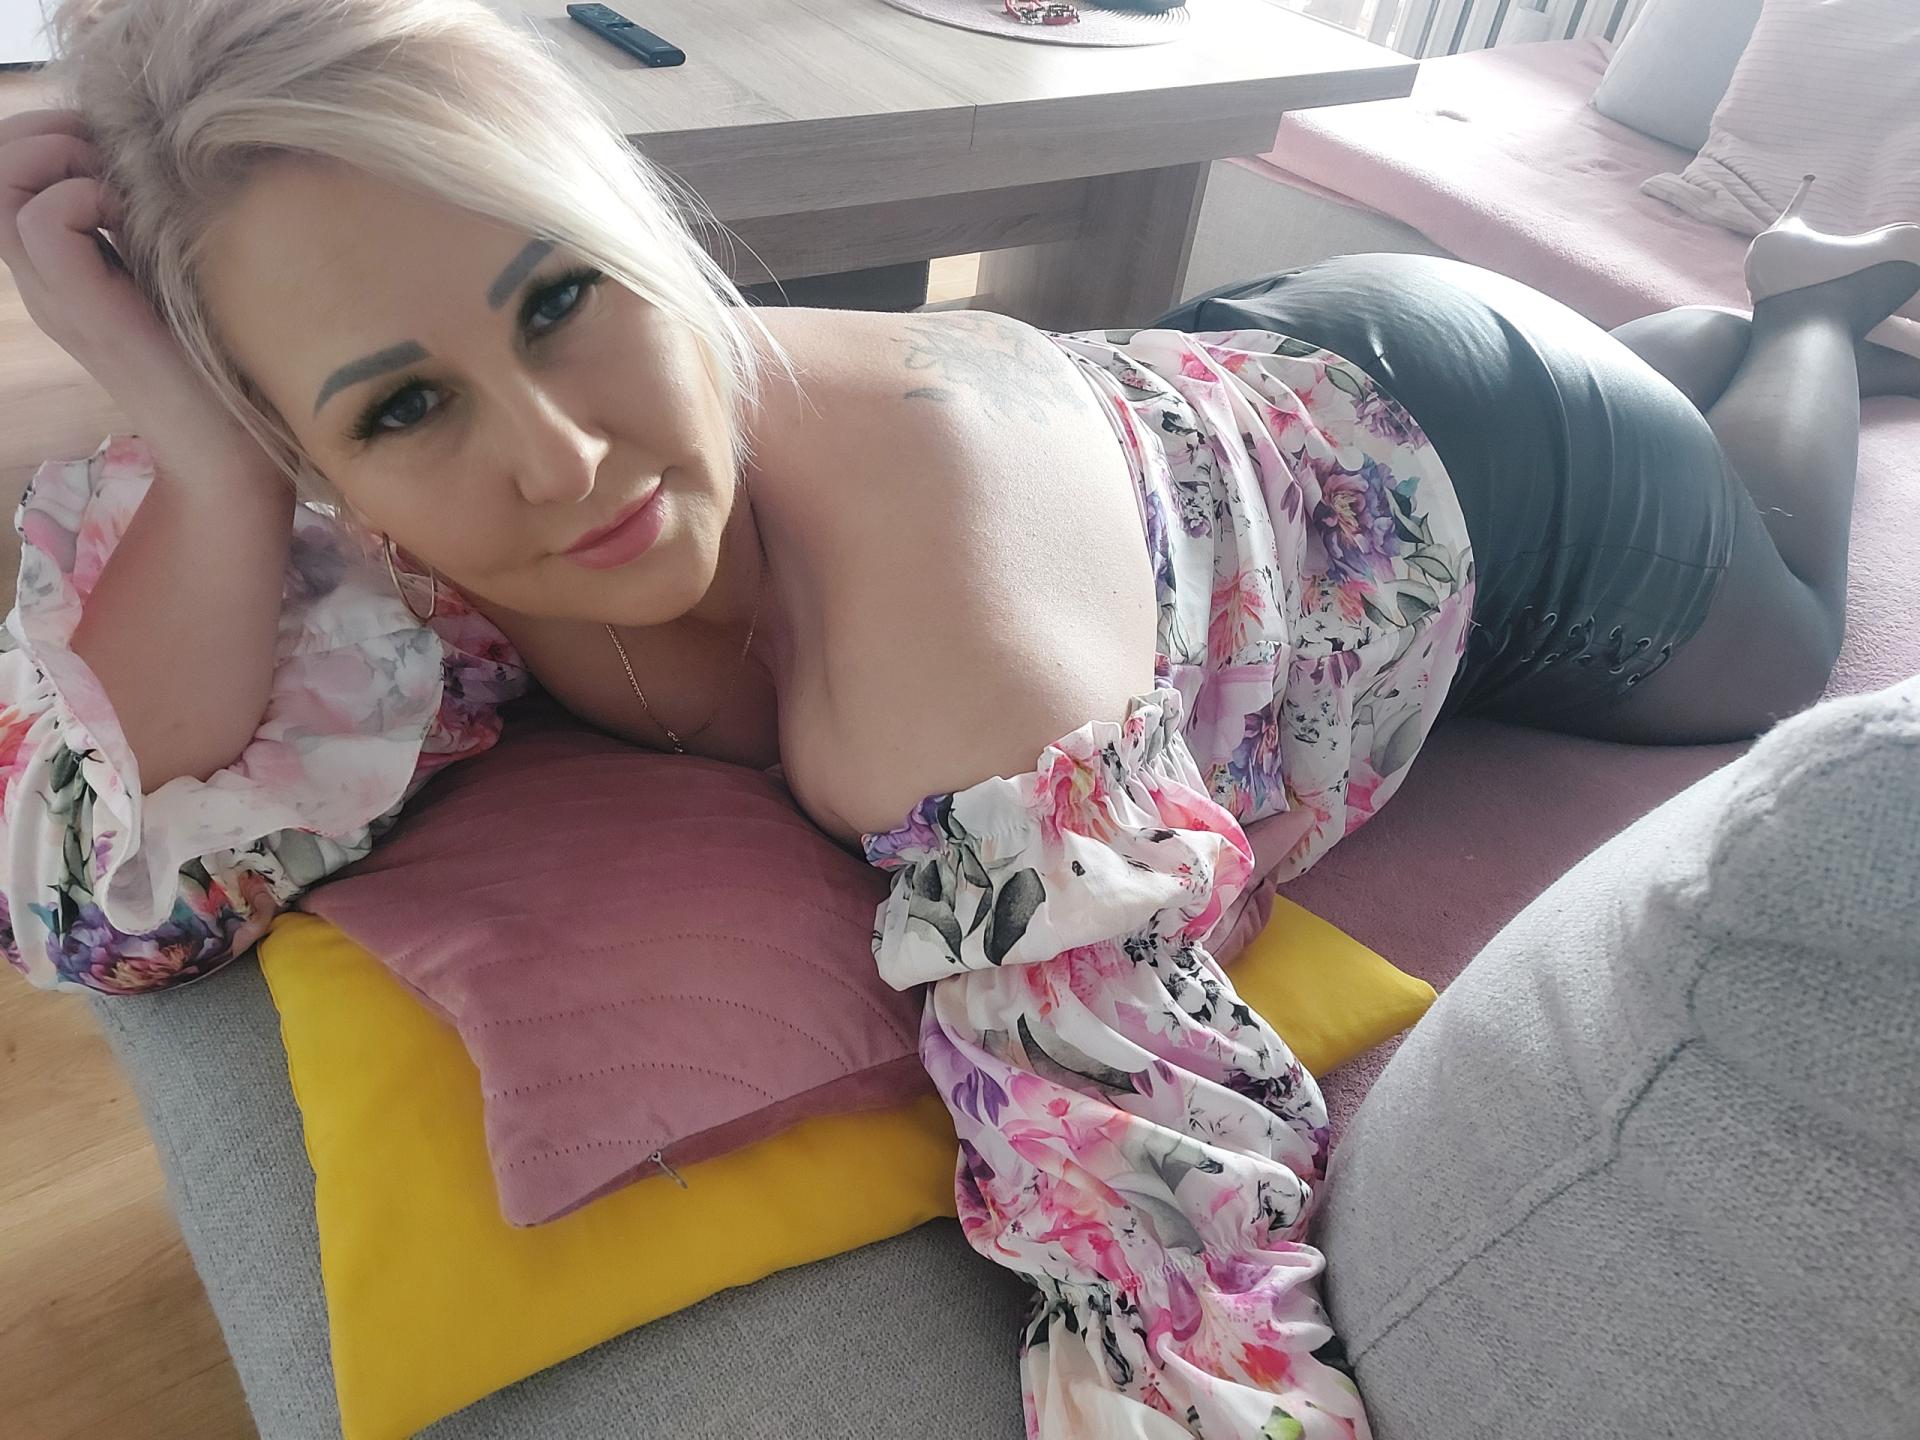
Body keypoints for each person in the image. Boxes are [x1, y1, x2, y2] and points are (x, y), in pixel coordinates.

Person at [2, 1, 1915, 1435]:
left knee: (1776, 623)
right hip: (1211, 382)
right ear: (309, 456)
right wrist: (198, 450)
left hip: (1494, 476)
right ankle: (1690, 342)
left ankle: (1809, 310)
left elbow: (1175, 1265)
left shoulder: (946, 662)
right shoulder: (384, 563)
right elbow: (93, 908)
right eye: (400, 406)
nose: (563, 459)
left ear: (637, 226)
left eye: (566, 293)